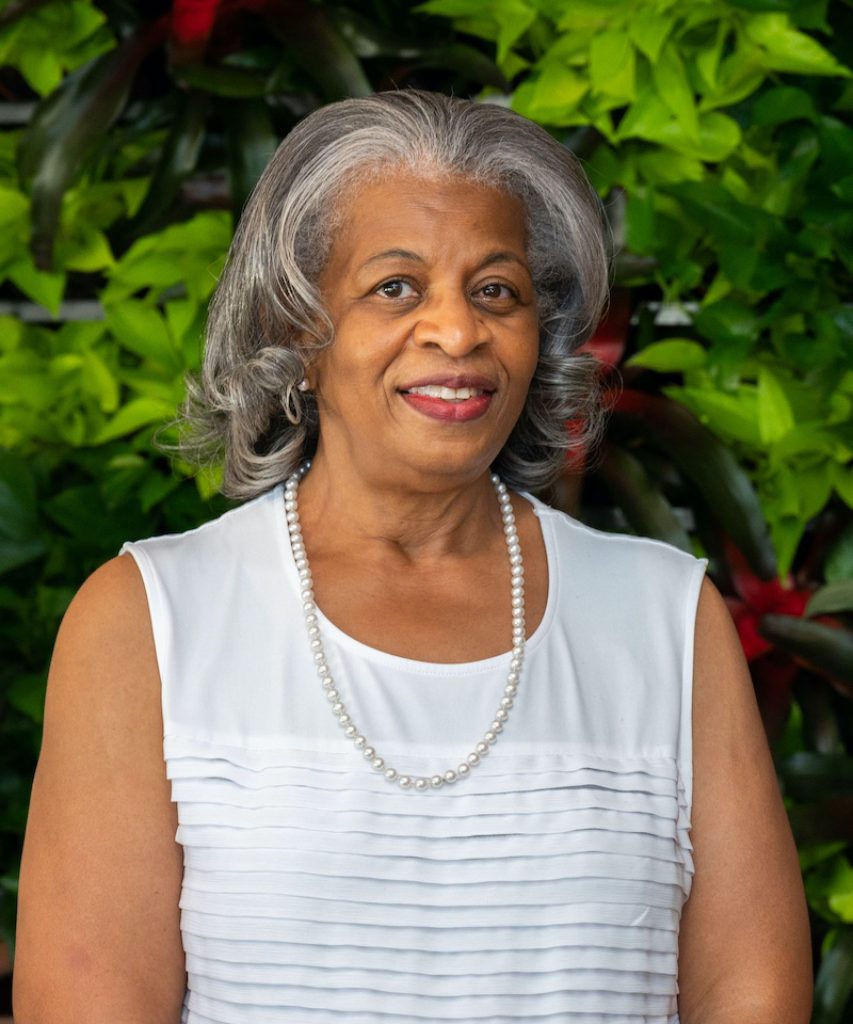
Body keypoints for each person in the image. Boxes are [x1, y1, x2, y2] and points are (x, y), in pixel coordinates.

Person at [14, 90, 811, 1024]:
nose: (457, 330)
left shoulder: (663, 618)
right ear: (299, 333)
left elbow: (750, 994)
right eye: (395, 287)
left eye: (495, 290)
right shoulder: (148, 620)